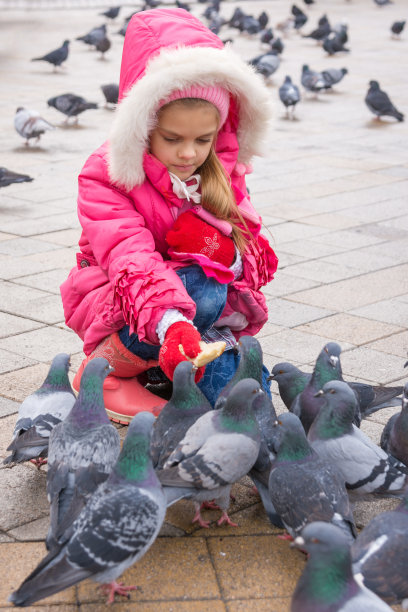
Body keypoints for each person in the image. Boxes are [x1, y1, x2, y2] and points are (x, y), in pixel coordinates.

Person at [60, 8, 278, 424]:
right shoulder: (106, 176)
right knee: (203, 286)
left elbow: (252, 259)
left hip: (199, 317)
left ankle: (168, 370)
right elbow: (130, 256)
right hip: (121, 298)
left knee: (246, 409)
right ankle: (106, 371)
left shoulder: (220, 173)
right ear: (142, 128)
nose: (189, 154)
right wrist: (171, 324)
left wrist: (221, 249)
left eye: (204, 139)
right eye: (172, 138)